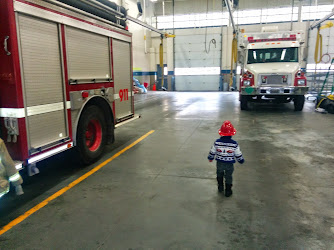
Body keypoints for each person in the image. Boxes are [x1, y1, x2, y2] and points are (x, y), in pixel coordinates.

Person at [207, 121, 244, 197]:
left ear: (221, 133)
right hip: (229, 164)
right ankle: (228, 191)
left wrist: (210, 158)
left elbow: (212, 151)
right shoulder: (234, 144)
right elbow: (238, 154)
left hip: (220, 162)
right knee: (228, 176)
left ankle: (220, 187)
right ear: (232, 134)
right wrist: (240, 160)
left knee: (219, 174)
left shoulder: (217, 142)